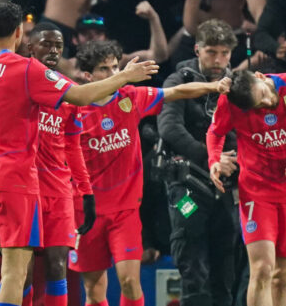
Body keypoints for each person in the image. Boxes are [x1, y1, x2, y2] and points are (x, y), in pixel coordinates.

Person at [0, 0, 159, 306]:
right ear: (19, 34)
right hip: (15, 183)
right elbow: (81, 97)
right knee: (15, 272)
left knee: (14, 267)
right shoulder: (26, 69)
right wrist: (124, 77)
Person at [71, 40, 221, 306]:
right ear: (88, 76)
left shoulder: (130, 97)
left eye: (115, 67)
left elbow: (178, 92)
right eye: (104, 69)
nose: (114, 73)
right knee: (94, 291)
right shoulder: (73, 111)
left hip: (125, 211)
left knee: (129, 281)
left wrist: (214, 86)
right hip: (86, 211)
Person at [209, 69, 286, 306]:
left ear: (259, 76)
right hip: (257, 192)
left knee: (282, 277)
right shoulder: (231, 102)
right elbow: (215, 132)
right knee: (261, 269)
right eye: (259, 104)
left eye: (264, 95)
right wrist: (214, 160)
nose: (267, 103)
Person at [157, 19, 238, 306]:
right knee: (192, 266)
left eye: (225, 53)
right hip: (186, 185)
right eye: (212, 52)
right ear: (197, 49)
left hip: (227, 186)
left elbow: (249, 132)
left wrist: (234, 161)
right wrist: (212, 157)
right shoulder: (179, 80)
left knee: (226, 270)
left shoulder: (240, 85)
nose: (218, 60)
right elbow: (169, 129)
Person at [24, 23, 93, 306]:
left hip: (58, 189)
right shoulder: (17, 84)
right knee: (21, 270)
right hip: (22, 188)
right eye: (46, 44)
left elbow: (73, 146)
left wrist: (85, 191)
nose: (53, 50)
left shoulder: (70, 92)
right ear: (30, 47)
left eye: (58, 46)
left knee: (57, 264)